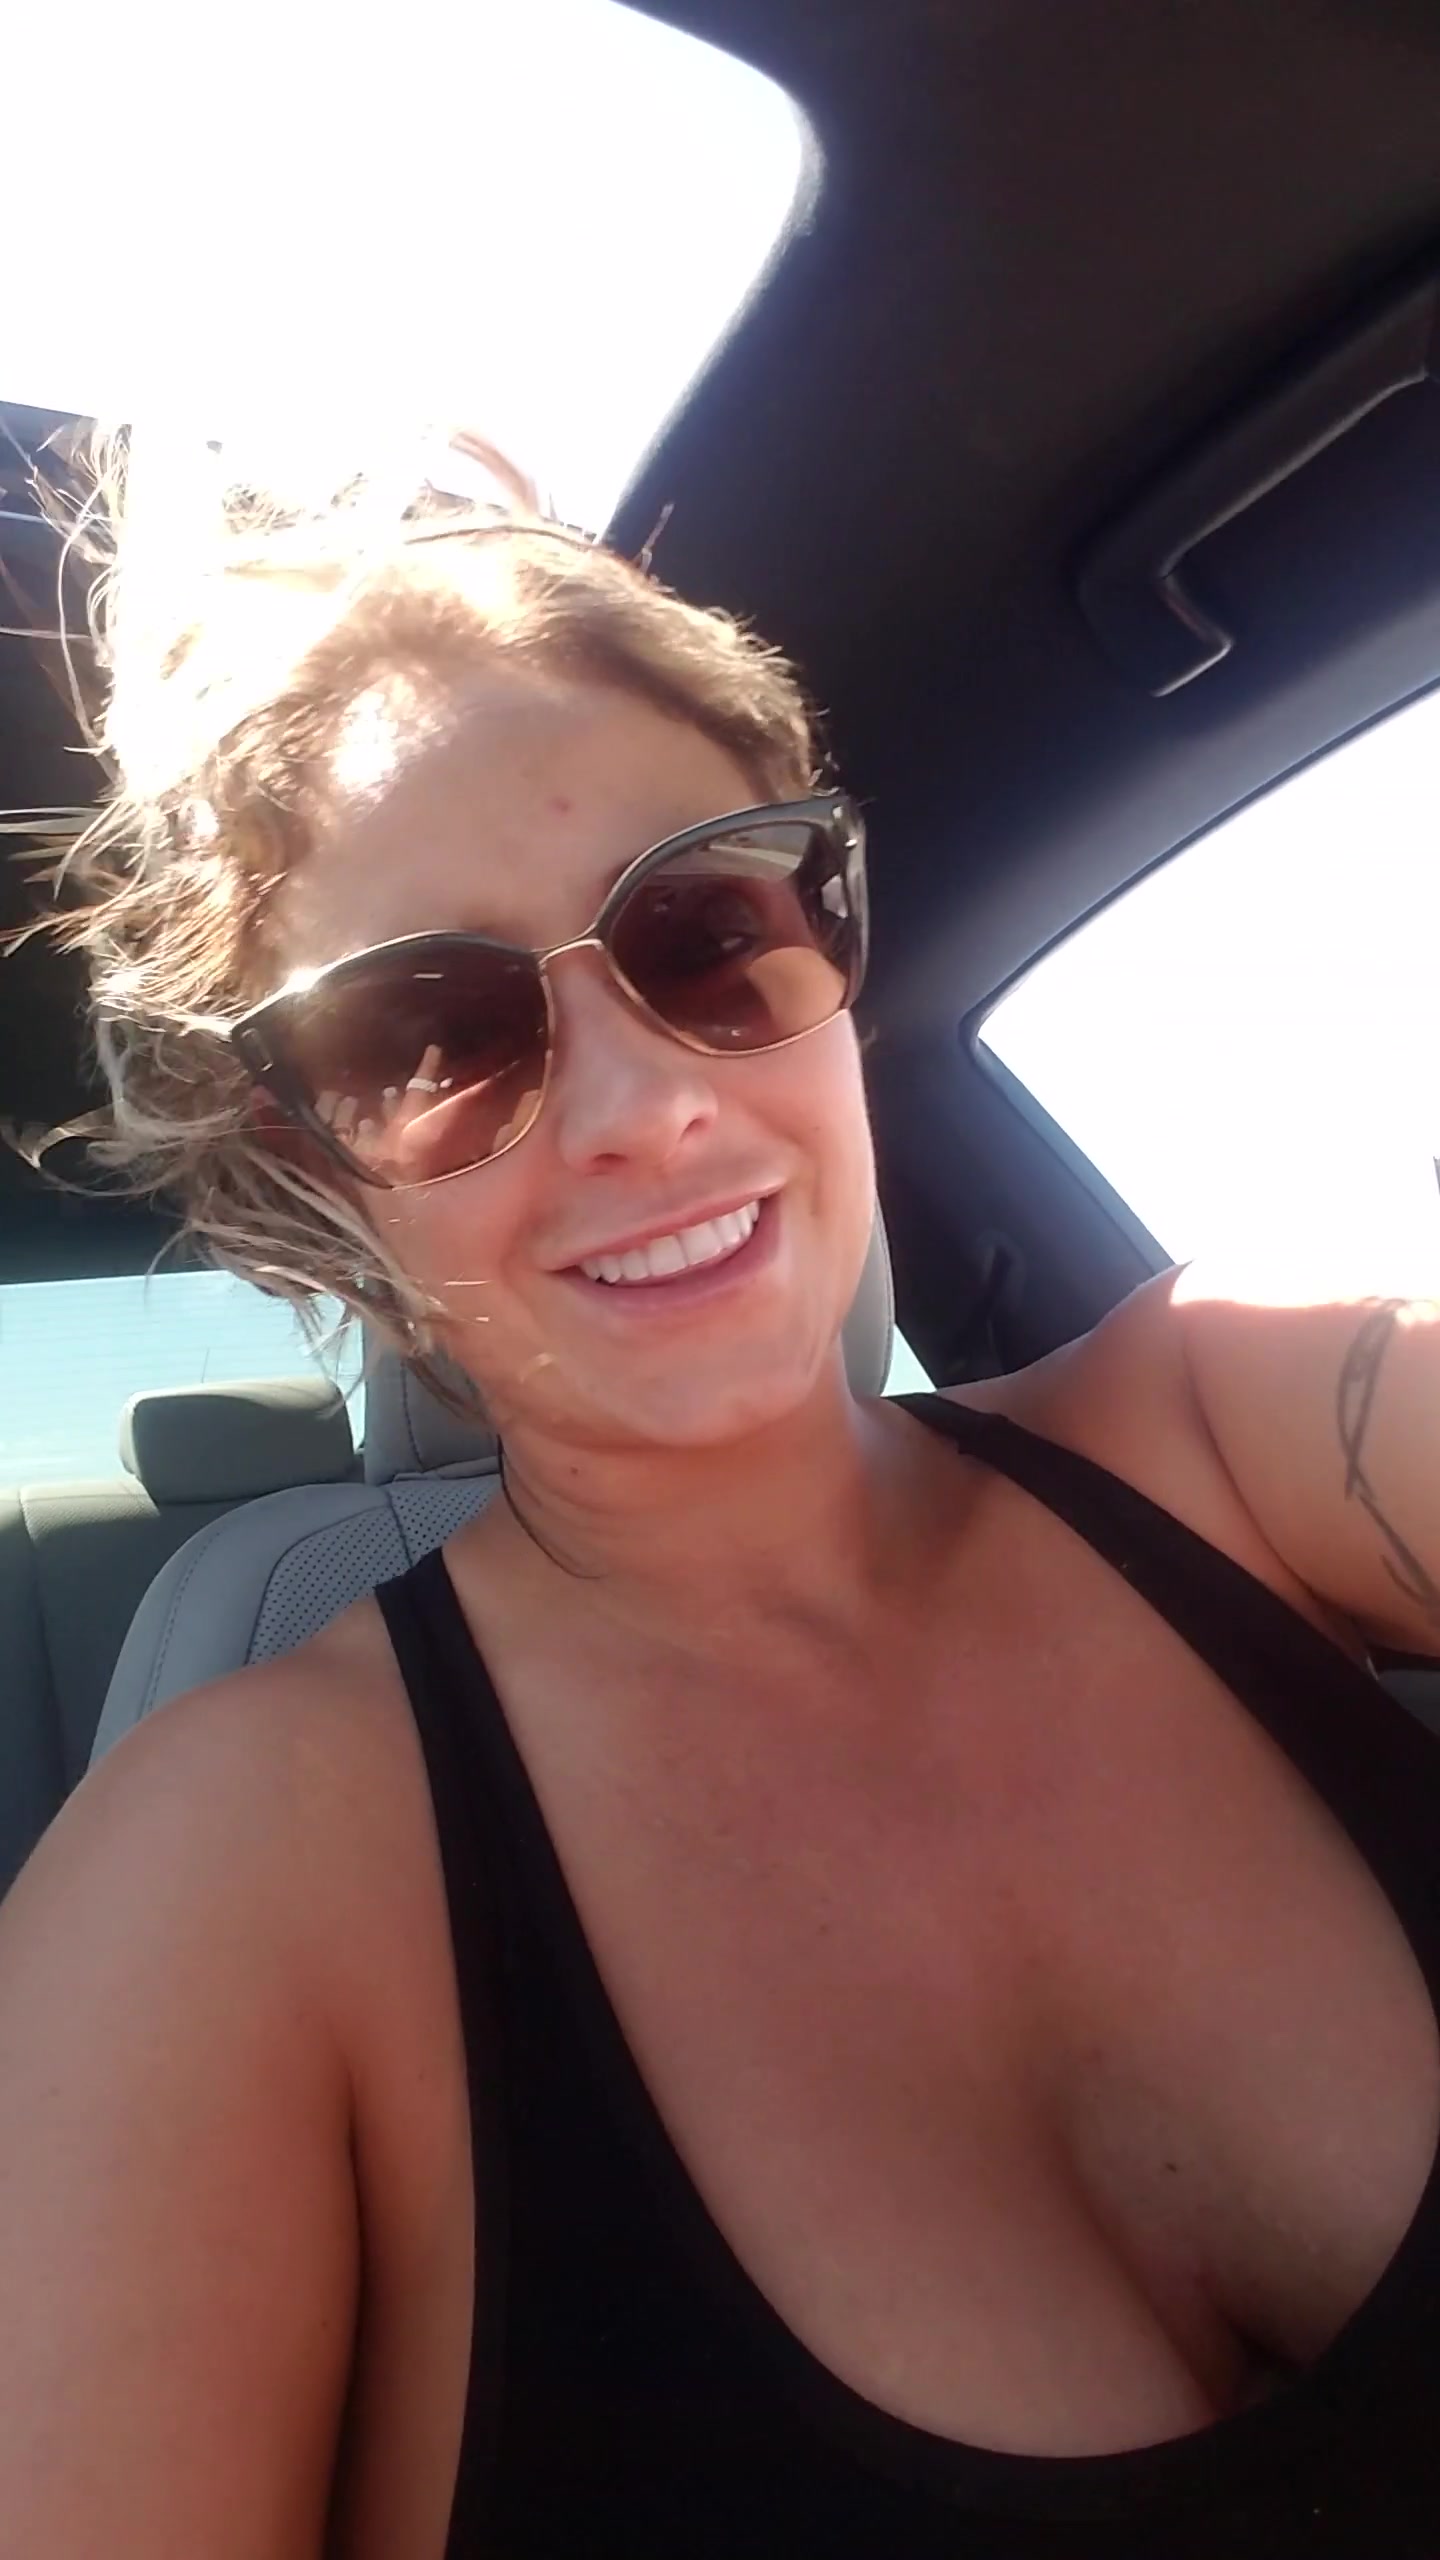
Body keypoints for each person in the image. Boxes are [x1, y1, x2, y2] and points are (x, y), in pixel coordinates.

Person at [0, 441, 1437, 2560]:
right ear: (319, 1176)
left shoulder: (1237, 1420)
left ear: (826, 936)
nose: (649, 1106)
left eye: (704, 930)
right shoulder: (226, 1880)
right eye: (432, 1033)